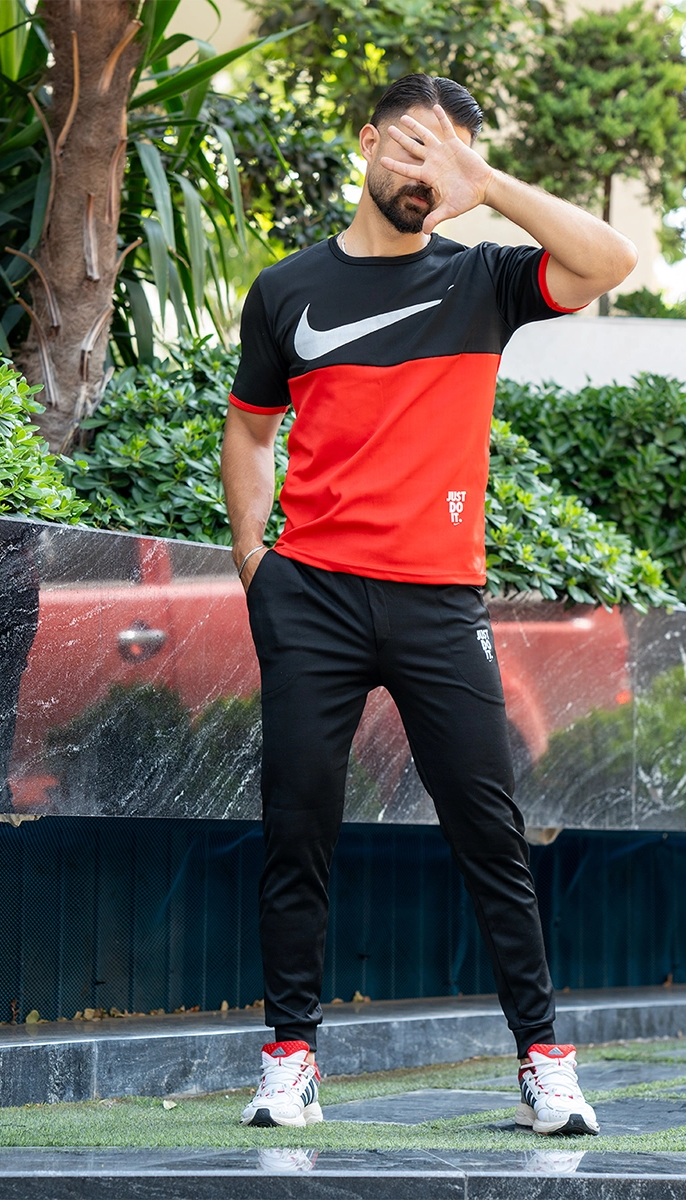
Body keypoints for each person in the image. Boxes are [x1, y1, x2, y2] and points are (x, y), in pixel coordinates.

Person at [222, 73, 637, 1136]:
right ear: (367, 142)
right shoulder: (286, 289)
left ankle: (544, 1062)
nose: (428, 171)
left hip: (439, 601)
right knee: (296, 834)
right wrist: (254, 563)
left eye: (451, 154)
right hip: (310, 595)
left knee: (491, 836)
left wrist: (486, 183)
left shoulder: (483, 280)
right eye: (414, 146)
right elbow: (251, 428)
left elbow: (609, 261)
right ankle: (290, 1061)